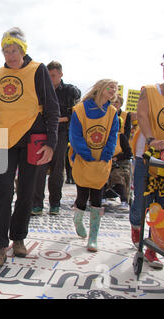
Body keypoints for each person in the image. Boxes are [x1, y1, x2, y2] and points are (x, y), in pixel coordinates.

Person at [0, 27, 60, 268]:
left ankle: (19, 237)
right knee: (3, 189)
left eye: (14, 50)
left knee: (26, 190)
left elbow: (52, 108)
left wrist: (52, 143)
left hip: (34, 138)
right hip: (3, 137)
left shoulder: (38, 70)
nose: (10, 55)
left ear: (23, 50)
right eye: (6, 50)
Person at [129, 48, 164, 269]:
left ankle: (151, 249)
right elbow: (142, 115)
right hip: (146, 158)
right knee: (141, 204)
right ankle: (136, 224)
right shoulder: (149, 91)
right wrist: (151, 139)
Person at [69, 79, 119, 252]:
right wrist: (85, 154)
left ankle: (93, 237)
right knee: (82, 195)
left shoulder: (112, 112)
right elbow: (75, 135)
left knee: (97, 198)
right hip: (83, 160)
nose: (113, 90)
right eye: (110, 87)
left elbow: (113, 135)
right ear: (100, 88)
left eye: (116, 88)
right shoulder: (80, 110)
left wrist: (107, 154)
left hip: (102, 161)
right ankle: (77, 220)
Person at [32, 61, 81, 215]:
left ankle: (55, 204)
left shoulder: (69, 91)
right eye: (48, 75)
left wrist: (55, 119)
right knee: (38, 170)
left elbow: (74, 114)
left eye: (53, 75)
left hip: (60, 134)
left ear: (60, 74)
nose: (50, 78)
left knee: (57, 171)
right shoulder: (40, 89)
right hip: (41, 133)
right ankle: (37, 204)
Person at [103, 116, 132, 209]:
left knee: (117, 176)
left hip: (120, 164)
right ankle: (102, 197)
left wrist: (117, 157)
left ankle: (124, 200)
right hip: (106, 163)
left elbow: (128, 153)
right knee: (100, 175)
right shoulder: (104, 136)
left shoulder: (121, 137)